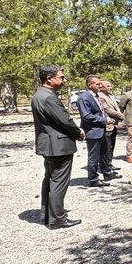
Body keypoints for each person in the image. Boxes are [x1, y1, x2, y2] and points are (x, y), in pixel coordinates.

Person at [31, 65, 84, 229]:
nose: (64, 80)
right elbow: (65, 120)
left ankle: (48, 215)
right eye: (61, 77)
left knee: (50, 180)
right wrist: (78, 132)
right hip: (58, 145)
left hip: (49, 144)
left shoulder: (38, 95)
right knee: (58, 182)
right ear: (49, 78)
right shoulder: (49, 97)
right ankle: (58, 219)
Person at [77, 75, 118, 187]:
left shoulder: (96, 96)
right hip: (93, 132)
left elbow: (100, 111)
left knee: (104, 153)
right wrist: (105, 120)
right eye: (97, 84)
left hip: (102, 130)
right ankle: (93, 179)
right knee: (93, 157)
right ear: (89, 85)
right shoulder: (84, 97)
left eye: (100, 84)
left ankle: (107, 173)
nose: (100, 86)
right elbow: (86, 116)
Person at [98, 80, 124, 172]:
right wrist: (121, 115)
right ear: (102, 87)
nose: (110, 88)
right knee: (106, 147)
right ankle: (104, 166)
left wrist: (119, 114)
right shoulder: (100, 96)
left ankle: (109, 163)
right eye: (107, 86)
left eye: (110, 86)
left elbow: (116, 108)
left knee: (111, 146)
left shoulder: (110, 96)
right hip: (107, 126)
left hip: (113, 125)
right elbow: (107, 110)